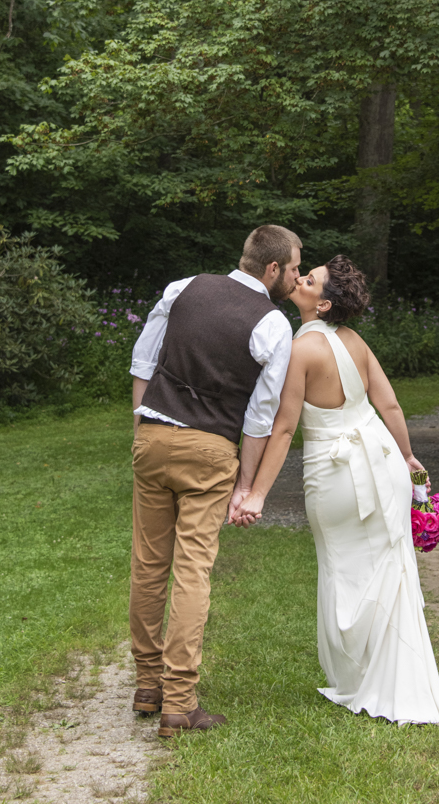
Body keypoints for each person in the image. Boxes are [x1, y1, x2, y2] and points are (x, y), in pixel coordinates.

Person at [233, 255, 439, 726]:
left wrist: (256, 493)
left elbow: (286, 427)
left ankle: (357, 679)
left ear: (324, 302)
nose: (299, 278)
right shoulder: (355, 341)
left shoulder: (301, 349)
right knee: (388, 569)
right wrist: (409, 458)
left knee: (342, 568)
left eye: (309, 279)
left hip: (336, 473)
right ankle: (392, 677)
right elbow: (388, 403)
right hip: (383, 461)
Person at [129, 225, 301, 737]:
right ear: (271, 269)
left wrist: (141, 425)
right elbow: (259, 418)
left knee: (147, 565)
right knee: (192, 572)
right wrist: (244, 482)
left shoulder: (183, 288)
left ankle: (146, 683)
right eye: (294, 267)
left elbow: (143, 360)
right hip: (211, 451)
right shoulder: (272, 325)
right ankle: (179, 702)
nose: (295, 275)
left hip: (153, 438)